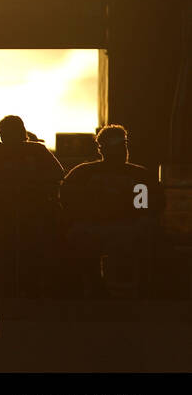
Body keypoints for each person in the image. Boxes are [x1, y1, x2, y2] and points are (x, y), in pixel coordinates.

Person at [60, 125, 158, 294]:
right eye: (117, 147)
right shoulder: (138, 175)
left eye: (121, 146)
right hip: (102, 226)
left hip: (117, 226)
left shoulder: (83, 173)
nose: (120, 151)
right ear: (102, 149)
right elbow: (69, 202)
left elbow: (147, 208)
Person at [0, 114, 65, 296]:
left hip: (33, 212)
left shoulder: (37, 150)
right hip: (2, 212)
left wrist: (29, 180)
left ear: (19, 131)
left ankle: (32, 289)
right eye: (1, 132)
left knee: (31, 253)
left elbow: (58, 173)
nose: (3, 136)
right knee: (2, 254)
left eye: (6, 132)